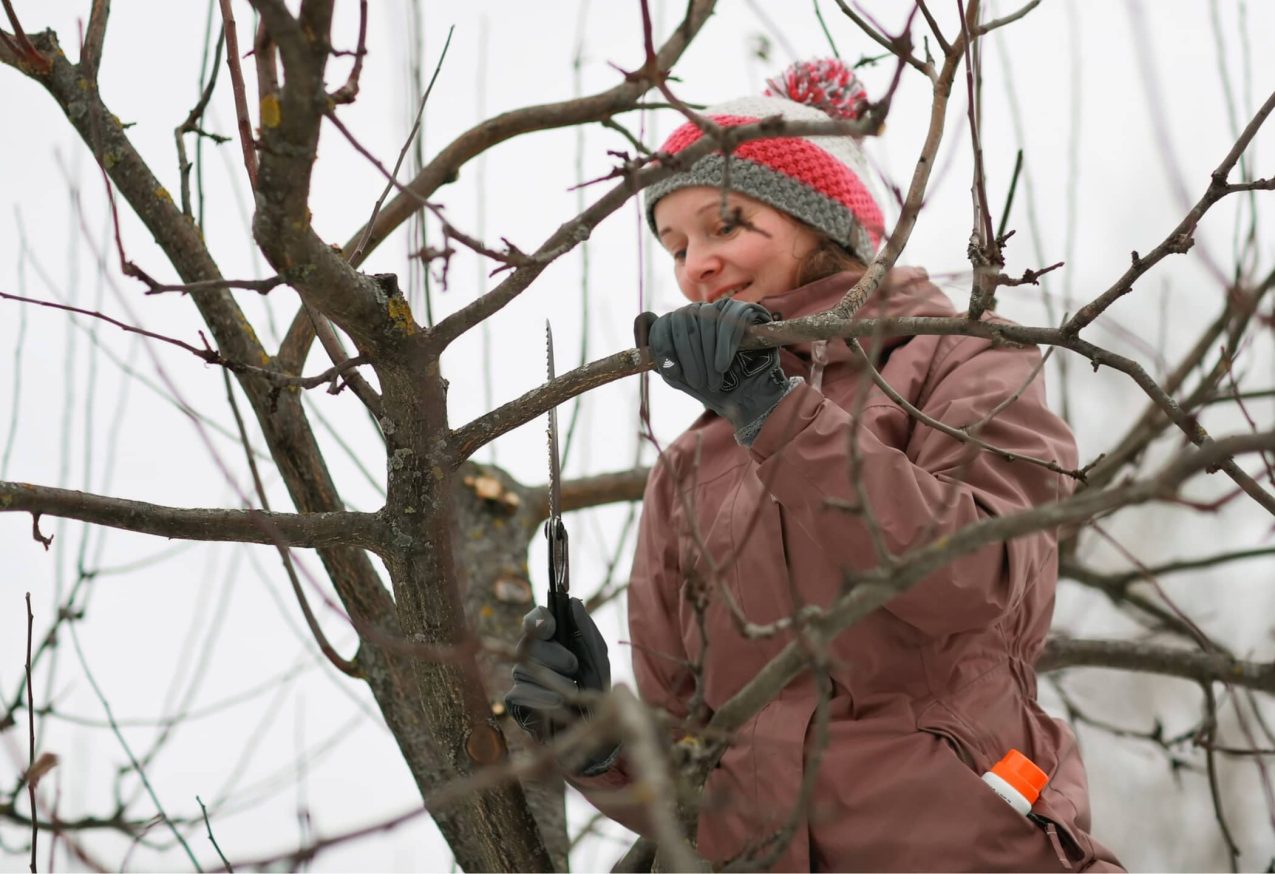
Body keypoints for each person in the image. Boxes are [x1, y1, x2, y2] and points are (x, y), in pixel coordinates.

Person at [505, 59, 1124, 872]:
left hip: (964, 848)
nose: (695, 265)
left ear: (821, 226)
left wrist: (777, 415)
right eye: (676, 244)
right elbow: (697, 771)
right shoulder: (688, 465)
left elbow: (978, 578)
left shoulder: (958, 358)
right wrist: (595, 744)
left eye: (724, 225)